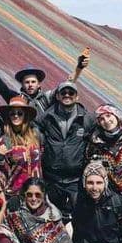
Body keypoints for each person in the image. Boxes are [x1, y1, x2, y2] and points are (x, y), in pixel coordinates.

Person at [0, 44, 90, 121]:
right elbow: (0, 86)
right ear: (22, 84)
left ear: (39, 84)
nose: (30, 84)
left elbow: (66, 85)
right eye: (27, 82)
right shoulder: (16, 99)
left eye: (33, 81)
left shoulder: (47, 98)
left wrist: (79, 68)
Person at [39, 80, 96, 221]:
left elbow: (103, 127)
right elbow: (34, 124)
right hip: (52, 179)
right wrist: (39, 138)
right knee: (52, 215)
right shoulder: (47, 116)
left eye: (71, 93)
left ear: (77, 97)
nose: (67, 95)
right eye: (63, 92)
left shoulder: (86, 118)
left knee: (79, 216)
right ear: (57, 96)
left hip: (75, 180)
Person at [84, 104, 122, 204]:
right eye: (101, 119)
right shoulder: (95, 145)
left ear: (116, 116)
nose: (106, 121)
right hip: (109, 199)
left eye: (108, 116)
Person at [0, 96, 42, 197]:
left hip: (35, 193)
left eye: (20, 113)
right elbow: (2, 173)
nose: (16, 116)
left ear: (25, 116)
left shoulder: (35, 135)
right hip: (15, 194)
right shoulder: (5, 141)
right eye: (12, 113)